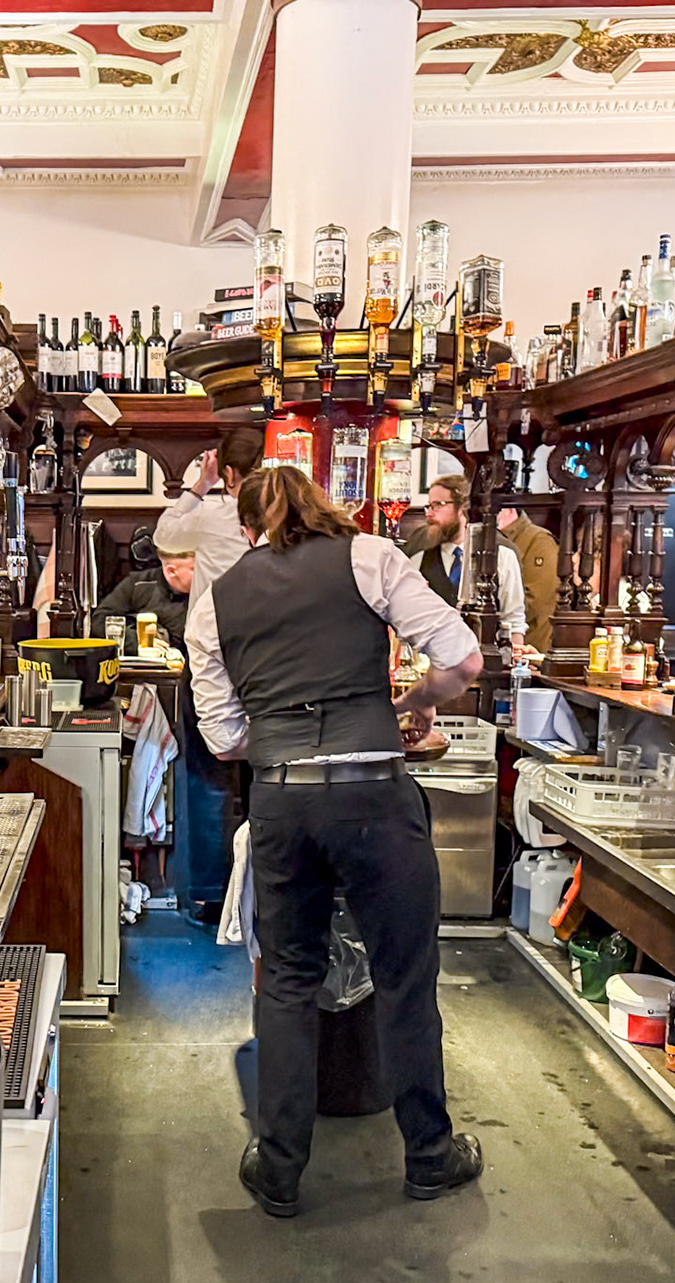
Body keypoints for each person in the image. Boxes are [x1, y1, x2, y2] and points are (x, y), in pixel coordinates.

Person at [185, 465, 485, 1217]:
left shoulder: (213, 601)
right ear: (324, 508)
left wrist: (285, 733)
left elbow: (223, 739)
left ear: (247, 528)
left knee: (287, 980)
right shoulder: (370, 556)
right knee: (405, 978)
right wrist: (411, 704)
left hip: (283, 801)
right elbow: (465, 661)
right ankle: (428, 1155)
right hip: (375, 795)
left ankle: (281, 1167)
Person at [405, 475, 527, 652]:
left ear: (463, 508)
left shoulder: (503, 557)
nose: (429, 514)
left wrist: (515, 661)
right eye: (428, 506)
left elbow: (514, 620)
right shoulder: (418, 560)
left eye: (438, 505)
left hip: (485, 661)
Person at [152, 426, 264, 605]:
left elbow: (163, 536)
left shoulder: (211, 516)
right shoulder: (284, 513)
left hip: (212, 626)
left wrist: (202, 484)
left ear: (229, 473)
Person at [92, 546, 193, 651]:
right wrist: (137, 641)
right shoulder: (137, 584)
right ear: (172, 571)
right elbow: (99, 621)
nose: (202, 573)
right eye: (194, 569)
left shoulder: (205, 591)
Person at [496, 505, 559, 653]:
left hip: (529, 648)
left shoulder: (538, 541)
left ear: (509, 510)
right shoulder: (487, 541)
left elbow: (537, 601)